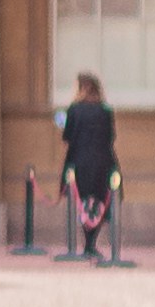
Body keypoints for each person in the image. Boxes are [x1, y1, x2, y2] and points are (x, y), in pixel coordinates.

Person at [56, 72, 123, 263]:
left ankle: (84, 244)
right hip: (103, 160)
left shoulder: (74, 110)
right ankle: (90, 244)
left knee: (82, 201)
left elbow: (67, 137)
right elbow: (111, 137)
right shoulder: (105, 110)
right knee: (99, 201)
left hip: (79, 160)